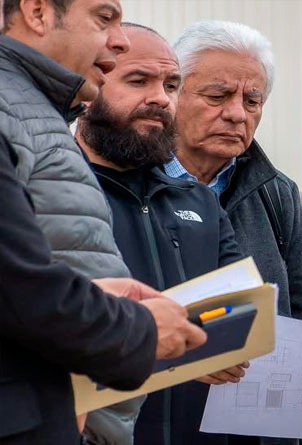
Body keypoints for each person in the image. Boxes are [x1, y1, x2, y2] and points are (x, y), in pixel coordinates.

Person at [0, 0, 207, 443]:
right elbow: (14, 281)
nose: (121, 39)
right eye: (104, 18)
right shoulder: (10, 107)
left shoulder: (35, 109)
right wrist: (137, 329)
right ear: (37, 12)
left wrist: (98, 298)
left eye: (171, 84)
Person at [73, 23, 252, 445]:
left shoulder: (199, 200)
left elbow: (240, 312)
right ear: (89, 90)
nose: (160, 98)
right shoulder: (48, 194)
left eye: (171, 85)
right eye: (138, 81)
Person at [167, 20, 302, 317]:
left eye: (252, 101)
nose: (237, 114)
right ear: (173, 93)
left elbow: (299, 314)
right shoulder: (124, 182)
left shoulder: (277, 193)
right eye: (217, 97)